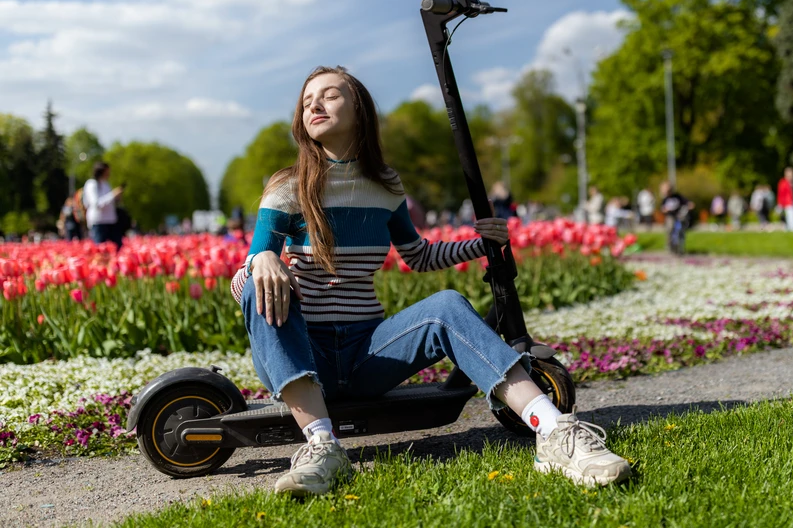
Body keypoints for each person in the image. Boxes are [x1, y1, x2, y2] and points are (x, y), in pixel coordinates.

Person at [228, 66, 629, 497]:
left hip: (367, 355)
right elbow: (246, 282)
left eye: (329, 96)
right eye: (307, 102)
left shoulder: (385, 187)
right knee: (258, 279)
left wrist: (479, 244)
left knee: (447, 306)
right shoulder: (287, 187)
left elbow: (418, 256)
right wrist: (262, 259)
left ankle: (555, 434)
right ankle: (323, 449)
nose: (315, 106)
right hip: (307, 354)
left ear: (360, 110)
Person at [82, 162, 124, 249]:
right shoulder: (92, 184)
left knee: (117, 247)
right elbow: (96, 204)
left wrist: (116, 198)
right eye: (107, 171)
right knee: (100, 248)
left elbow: (108, 201)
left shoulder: (106, 184)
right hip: (99, 221)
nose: (109, 174)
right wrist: (113, 195)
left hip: (111, 220)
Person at [777, 168, 793, 232]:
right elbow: (780, 194)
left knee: (792, 216)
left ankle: (792, 229)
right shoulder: (783, 182)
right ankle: (790, 229)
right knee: (788, 217)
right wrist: (780, 203)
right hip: (786, 203)